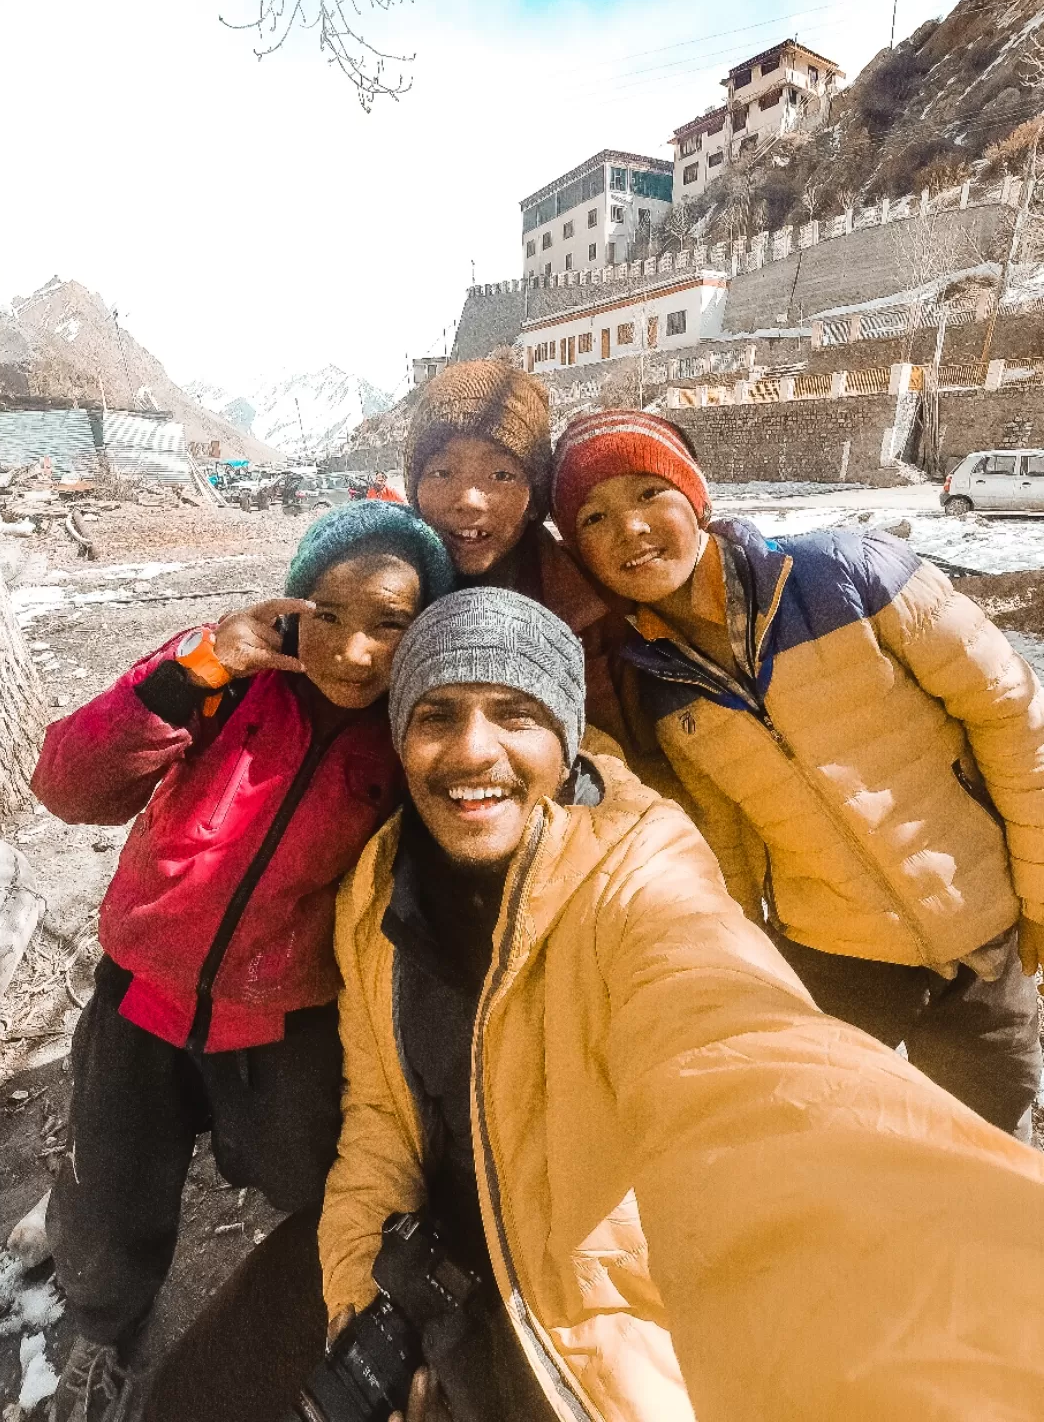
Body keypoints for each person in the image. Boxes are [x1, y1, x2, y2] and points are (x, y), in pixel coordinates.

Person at [146, 590, 1044, 1422]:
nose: (471, 750)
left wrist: (955, 1299)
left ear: (570, 739)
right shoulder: (378, 888)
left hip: (577, 1301)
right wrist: (359, 1290)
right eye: (436, 715)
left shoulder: (634, 872)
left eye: (517, 714)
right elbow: (381, 1111)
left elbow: (743, 1052)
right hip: (427, 1266)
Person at [30, 501, 454, 1422]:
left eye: (392, 625)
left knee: (311, 1186)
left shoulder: (412, 733)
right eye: (329, 616)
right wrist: (197, 666)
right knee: (107, 1202)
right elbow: (67, 784)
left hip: (287, 1013)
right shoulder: (222, 681)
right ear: (292, 606)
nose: (353, 652)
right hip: (140, 994)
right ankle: (106, 1335)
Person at [551, 407, 1044, 1138]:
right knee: (853, 1166)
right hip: (834, 957)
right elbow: (728, 839)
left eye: (649, 494)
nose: (630, 529)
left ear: (697, 498)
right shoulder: (651, 681)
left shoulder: (850, 574)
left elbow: (1011, 716)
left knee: (995, 1165)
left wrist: (1037, 896)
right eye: (593, 517)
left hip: (983, 933)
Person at [404, 358, 647, 771]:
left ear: (535, 498)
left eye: (501, 475)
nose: (469, 499)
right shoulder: (387, 605)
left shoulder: (599, 605)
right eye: (442, 472)